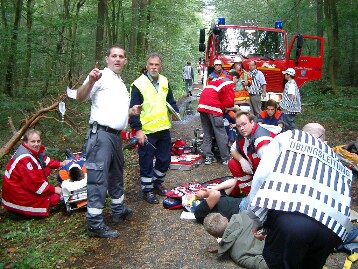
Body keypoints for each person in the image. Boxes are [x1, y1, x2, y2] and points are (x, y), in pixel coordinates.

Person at [248, 123, 353, 268]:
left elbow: (261, 177)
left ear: (302, 132)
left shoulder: (288, 137)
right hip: (331, 230)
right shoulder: (337, 160)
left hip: (293, 223)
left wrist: (256, 219)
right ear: (325, 142)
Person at [77, 45, 141, 238]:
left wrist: (130, 112)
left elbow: (113, 108)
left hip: (115, 136)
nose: (118, 59)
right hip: (101, 136)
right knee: (98, 179)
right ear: (107, 59)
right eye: (114, 56)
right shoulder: (100, 76)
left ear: (125, 60)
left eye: (121, 56)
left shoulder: (119, 82)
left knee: (116, 174)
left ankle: (118, 210)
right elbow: (80, 97)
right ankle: (94, 224)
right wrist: (89, 81)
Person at [129, 52, 179, 204]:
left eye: (156, 64)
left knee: (165, 159)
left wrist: (176, 111)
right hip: (147, 131)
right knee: (146, 161)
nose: (153, 67)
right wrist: (138, 130)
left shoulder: (164, 81)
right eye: (151, 64)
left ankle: (157, 183)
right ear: (147, 65)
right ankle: (147, 190)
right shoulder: (138, 84)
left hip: (163, 128)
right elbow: (134, 109)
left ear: (160, 66)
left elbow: (170, 101)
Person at [1, 129, 70, 217]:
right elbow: (35, 184)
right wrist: (54, 189)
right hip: (17, 195)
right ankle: (19, 211)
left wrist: (61, 163)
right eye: (33, 141)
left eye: (38, 141)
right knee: (54, 198)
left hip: (18, 189)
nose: (36, 144)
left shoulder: (29, 150)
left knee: (47, 172)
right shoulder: (25, 159)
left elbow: (44, 160)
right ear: (26, 142)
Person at [227, 111, 276, 197]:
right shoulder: (243, 135)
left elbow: (269, 169)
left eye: (244, 124)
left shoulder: (261, 140)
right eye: (238, 126)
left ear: (252, 122)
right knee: (232, 163)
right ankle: (249, 194)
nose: (241, 128)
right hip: (256, 170)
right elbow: (233, 149)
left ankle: (260, 196)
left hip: (270, 176)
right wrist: (241, 160)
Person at [197, 71, 238, 165]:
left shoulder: (218, 80)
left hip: (202, 106)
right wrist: (235, 107)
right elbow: (228, 103)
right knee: (221, 133)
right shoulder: (229, 83)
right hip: (213, 107)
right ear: (234, 77)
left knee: (207, 133)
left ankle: (208, 157)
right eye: (237, 80)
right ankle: (226, 158)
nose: (235, 83)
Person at [203, 212, 268, 269]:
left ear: (215, 236)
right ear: (226, 218)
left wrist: (224, 246)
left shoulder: (237, 255)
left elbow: (266, 265)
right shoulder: (246, 213)